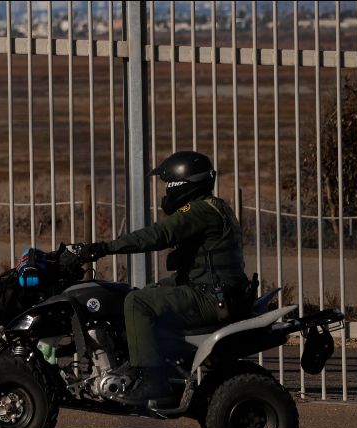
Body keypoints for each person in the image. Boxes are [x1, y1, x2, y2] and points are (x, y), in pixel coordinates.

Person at [78, 151, 248, 404]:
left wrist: (105, 247)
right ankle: (140, 362)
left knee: (138, 303)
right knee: (139, 292)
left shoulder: (198, 211)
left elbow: (158, 234)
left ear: (182, 184)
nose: (166, 192)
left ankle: (150, 379)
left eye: (169, 185)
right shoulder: (216, 205)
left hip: (211, 295)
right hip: (216, 289)